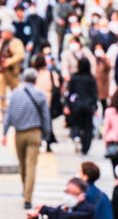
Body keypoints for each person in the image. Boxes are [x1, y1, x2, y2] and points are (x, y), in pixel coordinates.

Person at [2, 68, 51, 209]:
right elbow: (46, 117)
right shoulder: (40, 95)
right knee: (31, 166)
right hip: (34, 132)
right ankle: (28, 197)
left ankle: (25, 190)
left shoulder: (16, 94)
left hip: (18, 133)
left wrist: (4, 133)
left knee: (22, 165)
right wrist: (46, 134)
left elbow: (9, 115)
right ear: (35, 80)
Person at [64, 58, 98, 155]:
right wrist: (94, 106)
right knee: (88, 128)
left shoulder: (74, 78)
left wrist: (67, 105)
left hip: (76, 105)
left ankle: (76, 137)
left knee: (76, 124)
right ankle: (85, 148)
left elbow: (69, 93)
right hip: (88, 105)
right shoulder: (91, 79)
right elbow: (94, 94)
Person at [27, 177, 94, 219]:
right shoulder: (65, 207)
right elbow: (54, 213)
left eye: (73, 193)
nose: (69, 196)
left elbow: (65, 216)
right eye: (67, 191)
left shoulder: (87, 210)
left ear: (82, 195)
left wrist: (44, 209)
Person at [32, 54, 60, 151]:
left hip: (34, 101)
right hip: (48, 100)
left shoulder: (33, 74)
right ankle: (48, 142)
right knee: (47, 122)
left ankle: (38, 141)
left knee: (36, 122)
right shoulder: (51, 74)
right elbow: (57, 85)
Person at [0, 23, 25, 113]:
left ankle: (18, 111)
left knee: (16, 92)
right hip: (2, 71)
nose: (2, 33)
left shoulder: (16, 42)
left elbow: (20, 55)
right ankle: (3, 113)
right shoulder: (2, 42)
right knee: (1, 93)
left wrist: (9, 61)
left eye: (4, 32)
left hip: (12, 71)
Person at [94, 44, 111, 116]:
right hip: (94, 86)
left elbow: (109, 67)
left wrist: (104, 58)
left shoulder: (105, 60)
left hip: (103, 86)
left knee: (104, 104)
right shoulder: (93, 59)